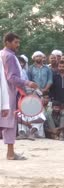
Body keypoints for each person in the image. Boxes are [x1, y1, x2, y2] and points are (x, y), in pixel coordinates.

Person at [0, 32, 38, 160]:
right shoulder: (10, 56)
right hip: (7, 93)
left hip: (4, 91)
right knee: (9, 122)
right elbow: (12, 78)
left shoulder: (2, 54)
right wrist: (28, 83)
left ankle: (10, 153)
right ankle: (10, 154)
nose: (18, 45)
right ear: (7, 42)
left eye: (18, 42)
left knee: (5, 122)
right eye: (15, 42)